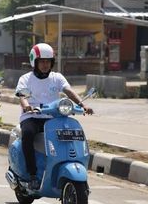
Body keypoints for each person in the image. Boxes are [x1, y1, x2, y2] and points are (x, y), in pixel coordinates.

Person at [15, 43, 93, 190]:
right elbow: (22, 95)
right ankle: (32, 174)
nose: (45, 65)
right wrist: (26, 105)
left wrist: (82, 105)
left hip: (53, 117)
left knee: (70, 134)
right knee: (28, 134)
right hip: (32, 117)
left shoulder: (56, 77)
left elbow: (69, 91)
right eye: (42, 61)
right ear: (34, 62)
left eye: (48, 61)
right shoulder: (26, 78)